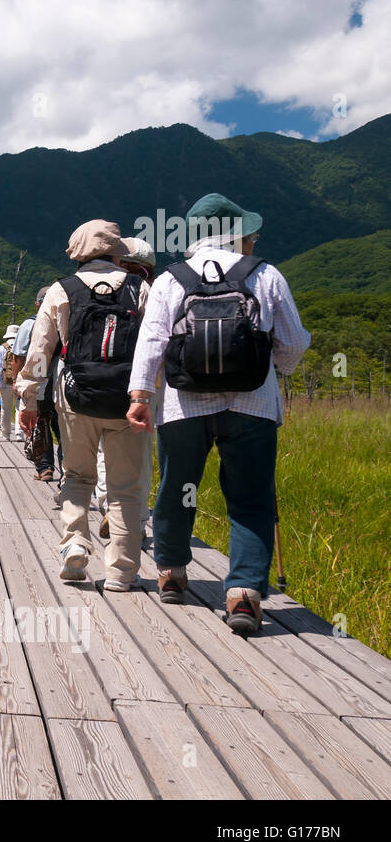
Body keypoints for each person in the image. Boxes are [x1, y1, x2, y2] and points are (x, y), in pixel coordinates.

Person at [127, 193, 310, 631]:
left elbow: (152, 340)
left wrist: (138, 396)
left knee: (177, 488)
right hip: (253, 405)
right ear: (239, 235)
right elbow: (294, 342)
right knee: (249, 497)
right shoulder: (265, 274)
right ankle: (244, 594)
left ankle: (171, 574)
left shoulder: (173, 278)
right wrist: (277, 368)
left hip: (183, 405)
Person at [17, 220, 150, 590]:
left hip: (75, 398)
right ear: (116, 250)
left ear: (77, 252)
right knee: (124, 486)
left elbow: (40, 353)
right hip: (126, 400)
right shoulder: (141, 288)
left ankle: (75, 543)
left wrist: (28, 398)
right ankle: (122, 572)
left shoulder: (61, 291)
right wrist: (149, 396)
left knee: (77, 476)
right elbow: (156, 344)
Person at [94, 237, 157, 539]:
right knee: (140, 457)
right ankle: (138, 518)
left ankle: (108, 505)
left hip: (100, 383)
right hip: (142, 386)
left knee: (105, 449)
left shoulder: (95, 291)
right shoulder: (150, 292)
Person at [11, 287, 61, 478]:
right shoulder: (66, 319)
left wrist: (17, 381)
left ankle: (44, 467)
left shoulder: (29, 325)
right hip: (62, 384)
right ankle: (66, 473)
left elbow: (19, 357)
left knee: (39, 425)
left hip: (38, 383)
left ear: (37, 303)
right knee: (61, 429)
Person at [0, 324, 20, 440]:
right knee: (19, 408)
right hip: (19, 381)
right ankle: (20, 433)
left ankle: (5, 434)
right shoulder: (23, 345)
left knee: (5, 408)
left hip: (5, 382)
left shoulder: (2, 348)